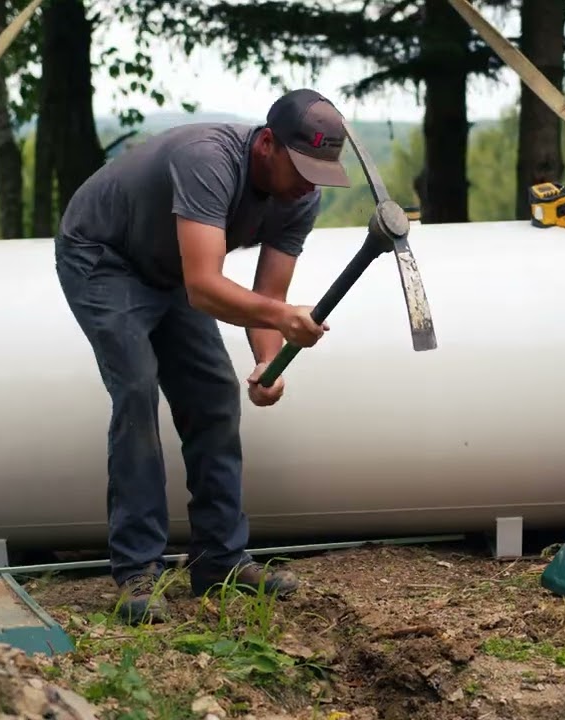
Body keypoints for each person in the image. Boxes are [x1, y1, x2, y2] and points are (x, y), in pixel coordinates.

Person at [53, 88, 352, 624]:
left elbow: (270, 294)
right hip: (103, 255)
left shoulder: (300, 197)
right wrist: (284, 320)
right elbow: (205, 287)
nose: (310, 185)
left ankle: (220, 559)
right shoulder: (209, 161)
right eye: (303, 169)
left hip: (168, 269)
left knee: (214, 394)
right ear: (267, 144)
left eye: (321, 174)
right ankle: (137, 570)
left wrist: (268, 363)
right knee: (137, 388)